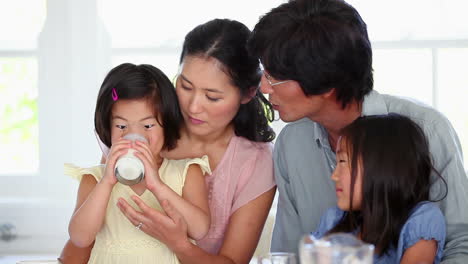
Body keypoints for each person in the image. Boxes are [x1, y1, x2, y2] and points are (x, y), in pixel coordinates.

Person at [248, 0, 468, 262]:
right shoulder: (291, 143)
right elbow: (290, 252)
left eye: (275, 77)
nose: (263, 87)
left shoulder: (427, 130)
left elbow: (461, 245)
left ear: (325, 82)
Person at [60, 18, 277, 264]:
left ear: (248, 93)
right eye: (185, 86)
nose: (193, 107)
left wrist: (179, 245)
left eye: (212, 97)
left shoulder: (256, 161)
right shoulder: (143, 134)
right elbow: (85, 239)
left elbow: (231, 260)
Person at [64, 63, 211, 263]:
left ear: (167, 124)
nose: (135, 136)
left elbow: (200, 230)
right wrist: (107, 181)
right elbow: (80, 238)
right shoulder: (95, 179)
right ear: (107, 128)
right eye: (121, 125)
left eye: (148, 125)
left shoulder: (186, 172)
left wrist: (156, 185)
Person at [313, 114, 447, 263]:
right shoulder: (333, 219)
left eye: (343, 161)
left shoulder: (422, 219)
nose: (334, 176)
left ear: (381, 167)